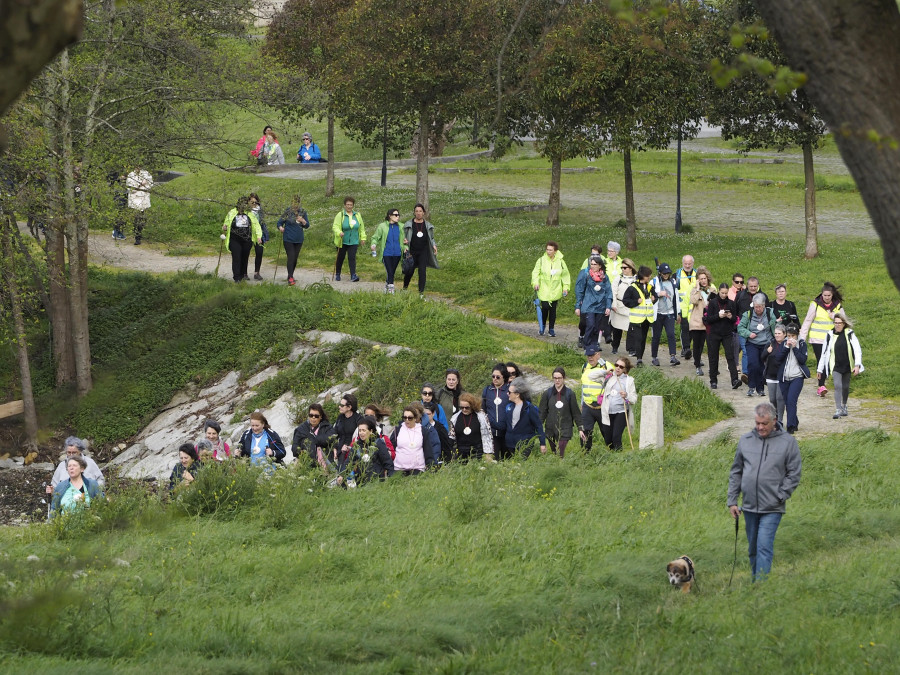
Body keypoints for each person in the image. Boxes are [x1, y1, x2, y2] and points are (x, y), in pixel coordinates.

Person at [728, 402, 802, 582]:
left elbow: (794, 473)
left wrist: (781, 495)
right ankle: (756, 582)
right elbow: (736, 471)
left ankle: (761, 586)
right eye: (757, 423)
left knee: (763, 546)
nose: (760, 427)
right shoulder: (745, 441)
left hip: (773, 506)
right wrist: (732, 501)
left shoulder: (788, 442)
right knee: (753, 548)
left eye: (764, 424)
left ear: (774, 421)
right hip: (749, 506)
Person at [800, 281, 844, 397]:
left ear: (832, 295)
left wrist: (834, 316)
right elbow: (807, 321)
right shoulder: (815, 304)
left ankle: (831, 381)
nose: (826, 298)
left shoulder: (837, 305)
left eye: (829, 295)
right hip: (817, 339)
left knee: (831, 361)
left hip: (831, 338)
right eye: (824, 295)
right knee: (822, 360)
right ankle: (821, 386)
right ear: (821, 294)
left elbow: (844, 320)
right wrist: (802, 338)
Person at [817, 311, 864, 419]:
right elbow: (824, 353)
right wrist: (820, 370)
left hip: (847, 365)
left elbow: (857, 350)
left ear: (844, 323)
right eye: (835, 322)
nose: (837, 325)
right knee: (838, 386)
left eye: (839, 323)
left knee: (845, 387)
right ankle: (838, 409)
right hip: (835, 366)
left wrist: (857, 365)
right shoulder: (829, 335)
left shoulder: (850, 334)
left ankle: (844, 405)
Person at [737, 294, 777, 397]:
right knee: (753, 364)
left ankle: (760, 388)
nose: (757, 309)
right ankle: (751, 386)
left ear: (763, 306)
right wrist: (749, 334)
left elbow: (775, 327)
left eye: (759, 306)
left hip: (766, 343)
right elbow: (740, 328)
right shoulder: (748, 314)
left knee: (761, 366)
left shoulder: (770, 313)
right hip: (752, 343)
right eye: (755, 306)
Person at [773, 324, 810, 434]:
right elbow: (777, 359)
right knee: (787, 401)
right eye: (789, 336)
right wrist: (785, 347)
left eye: (793, 336)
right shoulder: (784, 343)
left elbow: (803, 359)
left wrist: (794, 348)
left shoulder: (802, 344)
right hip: (784, 378)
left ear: (797, 335)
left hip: (797, 377)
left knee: (791, 401)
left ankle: (790, 427)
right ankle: (795, 421)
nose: (791, 338)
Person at [706, 282, 742, 390]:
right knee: (713, 357)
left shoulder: (731, 303)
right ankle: (713, 380)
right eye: (722, 293)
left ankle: (734, 379)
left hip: (727, 334)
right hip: (714, 333)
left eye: (726, 293)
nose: (724, 295)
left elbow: (735, 320)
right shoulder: (713, 303)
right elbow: (708, 319)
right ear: (718, 291)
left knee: (730, 356)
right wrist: (718, 316)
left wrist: (730, 316)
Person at [538, 367, 581, 457]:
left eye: (559, 378)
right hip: (550, 427)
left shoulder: (570, 394)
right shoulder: (547, 393)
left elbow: (576, 412)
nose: (557, 380)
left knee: (561, 450)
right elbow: (542, 412)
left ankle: (561, 463)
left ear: (564, 378)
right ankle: (556, 465)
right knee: (554, 452)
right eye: (555, 378)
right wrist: (538, 426)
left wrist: (580, 428)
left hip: (565, 427)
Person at [532, 241, 571, 337]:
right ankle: (542, 326)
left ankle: (551, 329)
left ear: (555, 251)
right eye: (547, 249)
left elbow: (565, 275)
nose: (548, 252)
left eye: (551, 250)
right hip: (544, 289)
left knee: (553, 310)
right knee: (545, 307)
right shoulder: (541, 260)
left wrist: (565, 287)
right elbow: (535, 273)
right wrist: (535, 283)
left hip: (555, 289)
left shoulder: (561, 262)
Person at [574, 255, 612, 351]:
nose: (593, 266)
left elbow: (608, 292)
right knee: (590, 325)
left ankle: (594, 346)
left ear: (600, 266)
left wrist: (608, 306)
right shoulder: (585, 275)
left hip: (600, 306)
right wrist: (578, 306)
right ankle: (587, 345)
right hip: (588, 305)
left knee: (597, 327)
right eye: (591, 264)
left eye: (595, 264)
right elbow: (579, 290)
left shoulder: (604, 277)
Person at [622, 265, 658, 367]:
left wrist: (653, 299)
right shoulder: (632, 288)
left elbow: (655, 299)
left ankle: (640, 357)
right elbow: (626, 301)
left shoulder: (650, 287)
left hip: (647, 318)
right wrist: (636, 302)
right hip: (637, 318)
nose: (650, 277)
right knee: (638, 338)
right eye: (648, 276)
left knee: (643, 338)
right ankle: (638, 359)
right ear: (643, 276)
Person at [579, 346, 613, 452]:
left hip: (602, 406)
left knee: (606, 431)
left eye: (592, 355)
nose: (590, 358)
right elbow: (583, 387)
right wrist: (582, 402)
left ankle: (612, 450)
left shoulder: (607, 366)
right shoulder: (585, 367)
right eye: (588, 356)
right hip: (587, 405)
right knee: (585, 430)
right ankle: (585, 453)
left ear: (598, 354)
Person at [222, 196, 262, 283]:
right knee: (236, 257)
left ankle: (242, 274)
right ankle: (237, 278)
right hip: (234, 239)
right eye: (242, 205)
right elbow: (226, 223)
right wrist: (225, 227)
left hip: (247, 239)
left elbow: (256, 225)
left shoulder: (249, 214)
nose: (243, 207)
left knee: (244, 257)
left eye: (245, 205)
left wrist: (259, 236)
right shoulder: (232, 212)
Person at [601, 357, 638, 450]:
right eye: (616, 365)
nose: (618, 368)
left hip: (621, 411)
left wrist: (626, 395)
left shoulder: (629, 380)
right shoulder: (609, 377)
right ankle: (613, 458)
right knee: (608, 439)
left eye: (621, 367)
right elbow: (591, 376)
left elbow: (634, 399)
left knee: (616, 437)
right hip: (607, 411)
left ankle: (619, 456)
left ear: (625, 369)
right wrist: (605, 372)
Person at [402, 203, 439, 296]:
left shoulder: (428, 226)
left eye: (420, 211)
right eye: (416, 211)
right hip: (412, 251)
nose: (418, 213)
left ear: (424, 213)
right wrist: (404, 244)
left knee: (422, 271)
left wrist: (434, 245)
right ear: (414, 213)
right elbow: (403, 237)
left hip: (423, 251)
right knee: (410, 271)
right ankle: (405, 288)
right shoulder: (408, 225)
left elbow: (431, 238)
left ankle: (421, 293)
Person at [735, 277, 768, 379]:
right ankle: (746, 374)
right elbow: (735, 310)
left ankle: (760, 373)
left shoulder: (763, 296)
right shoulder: (740, 295)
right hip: (744, 328)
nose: (753, 288)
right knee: (745, 350)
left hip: (759, 329)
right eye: (751, 286)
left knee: (760, 352)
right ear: (747, 286)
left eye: (755, 286)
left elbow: (767, 312)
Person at [503, 381, 546, 459]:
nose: (507, 394)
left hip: (525, 443)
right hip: (510, 443)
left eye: (509, 392)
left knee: (522, 464)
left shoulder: (529, 408)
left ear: (517, 394)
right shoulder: (508, 407)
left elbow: (538, 426)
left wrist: (542, 443)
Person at [649, 262, 681, 367]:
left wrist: (678, 313)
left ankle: (673, 356)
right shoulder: (654, 281)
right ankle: (654, 357)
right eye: (664, 273)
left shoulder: (673, 282)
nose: (666, 275)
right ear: (660, 273)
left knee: (671, 334)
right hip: (658, 314)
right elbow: (649, 295)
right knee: (656, 336)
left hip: (670, 313)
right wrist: (658, 294)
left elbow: (676, 298)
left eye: (667, 273)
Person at [389, 406, 435, 474]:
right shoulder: (397, 430)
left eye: (410, 418)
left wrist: (430, 467)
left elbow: (428, 450)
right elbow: (391, 448)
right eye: (405, 418)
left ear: (415, 418)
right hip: (399, 469)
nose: (407, 420)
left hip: (417, 469)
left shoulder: (423, 431)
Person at [448, 393, 493, 461]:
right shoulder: (455, 418)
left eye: (467, 407)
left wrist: (488, 453)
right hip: (461, 452)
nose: (464, 409)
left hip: (478, 452)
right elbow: (451, 436)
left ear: (472, 406)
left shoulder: (481, 416)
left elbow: (488, 436)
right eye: (461, 407)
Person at [277, 194, 310, 286]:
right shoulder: (287, 211)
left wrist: (303, 221)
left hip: (299, 239)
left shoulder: (303, 212)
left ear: (299, 203)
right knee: (291, 256)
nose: (295, 205)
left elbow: (307, 225)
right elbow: (279, 222)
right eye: (293, 202)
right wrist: (280, 228)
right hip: (288, 238)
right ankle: (290, 277)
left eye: (296, 203)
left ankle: (290, 275)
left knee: (295, 258)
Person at [370, 208, 406, 293]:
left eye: (398, 215)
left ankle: (387, 285)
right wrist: (373, 244)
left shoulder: (402, 226)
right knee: (390, 271)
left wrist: (405, 248)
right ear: (390, 216)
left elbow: (405, 240)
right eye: (396, 215)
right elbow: (375, 237)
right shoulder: (382, 226)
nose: (398, 217)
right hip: (386, 253)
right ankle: (391, 289)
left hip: (397, 253)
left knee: (392, 272)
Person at [348, 416, 394, 482]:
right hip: (361, 482)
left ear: (371, 431)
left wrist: (391, 480)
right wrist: (341, 475)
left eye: (364, 430)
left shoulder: (378, 443)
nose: (361, 433)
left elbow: (387, 462)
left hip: (377, 482)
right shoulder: (356, 445)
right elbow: (348, 462)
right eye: (360, 430)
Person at [332, 196, 366, 282]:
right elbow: (335, 226)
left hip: (354, 241)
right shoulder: (340, 215)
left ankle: (353, 275)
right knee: (340, 258)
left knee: (352, 258)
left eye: (351, 205)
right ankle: (338, 273)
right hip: (342, 241)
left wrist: (363, 238)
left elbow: (361, 227)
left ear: (353, 205)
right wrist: (339, 232)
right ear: (344, 205)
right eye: (347, 204)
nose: (349, 206)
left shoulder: (357, 215)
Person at [687, 266, 713, 376]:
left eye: (704, 278)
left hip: (709, 322)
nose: (703, 281)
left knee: (710, 345)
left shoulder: (712, 290)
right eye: (701, 279)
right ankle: (697, 365)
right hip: (697, 322)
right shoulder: (694, 291)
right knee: (697, 345)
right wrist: (697, 289)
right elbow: (693, 301)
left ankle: (713, 367)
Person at [292, 403, 334, 470]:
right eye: (311, 415)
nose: (313, 418)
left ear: (321, 417)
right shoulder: (301, 429)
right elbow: (294, 447)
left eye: (316, 416)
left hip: (325, 463)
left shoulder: (328, 427)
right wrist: (301, 452)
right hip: (306, 464)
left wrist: (312, 439)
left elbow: (330, 439)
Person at [608, 258, 637, 355]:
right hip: (619, 307)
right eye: (622, 268)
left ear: (631, 268)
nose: (623, 269)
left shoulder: (636, 279)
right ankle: (615, 346)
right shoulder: (618, 279)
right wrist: (614, 304)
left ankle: (631, 349)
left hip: (632, 307)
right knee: (617, 329)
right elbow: (613, 292)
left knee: (631, 329)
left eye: (625, 268)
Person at [482, 364, 510, 455]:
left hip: (507, 432)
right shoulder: (487, 390)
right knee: (495, 460)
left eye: (498, 377)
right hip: (492, 433)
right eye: (493, 376)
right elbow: (483, 410)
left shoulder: (509, 390)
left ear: (504, 377)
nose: (495, 379)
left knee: (508, 459)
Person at [330, 393, 363, 469]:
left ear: (349, 407)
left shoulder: (358, 419)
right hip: (339, 449)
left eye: (342, 405)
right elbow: (334, 433)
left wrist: (349, 447)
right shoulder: (340, 418)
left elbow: (361, 437)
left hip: (352, 449)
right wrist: (334, 448)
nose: (339, 407)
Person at [764, 325, 787, 425]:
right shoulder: (770, 343)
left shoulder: (787, 344)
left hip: (782, 375)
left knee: (780, 398)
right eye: (776, 333)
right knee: (772, 399)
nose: (777, 335)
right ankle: (775, 416)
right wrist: (766, 351)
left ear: (784, 334)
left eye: (779, 333)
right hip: (770, 375)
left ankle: (780, 420)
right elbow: (762, 357)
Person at [675, 254, 697, 360]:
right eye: (685, 263)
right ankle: (686, 349)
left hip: (694, 307)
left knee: (692, 329)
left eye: (689, 263)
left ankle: (688, 347)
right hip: (682, 307)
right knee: (684, 328)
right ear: (682, 263)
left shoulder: (697, 274)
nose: (687, 265)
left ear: (693, 263)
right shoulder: (677, 275)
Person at [126, 165, 152, 245]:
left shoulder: (146, 174)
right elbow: (131, 189)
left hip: (144, 199)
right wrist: (141, 184)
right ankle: (137, 237)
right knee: (137, 218)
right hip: (135, 199)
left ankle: (140, 234)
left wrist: (143, 185)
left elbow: (149, 185)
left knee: (143, 218)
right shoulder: (131, 175)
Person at [248, 193, 269, 281]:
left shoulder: (260, 210)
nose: (253, 204)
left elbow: (263, 223)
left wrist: (265, 235)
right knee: (246, 253)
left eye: (255, 202)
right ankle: (244, 273)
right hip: (248, 234)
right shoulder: (246, 211)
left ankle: (257, 272)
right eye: (251, 201)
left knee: (259, 252)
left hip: (259, 234)